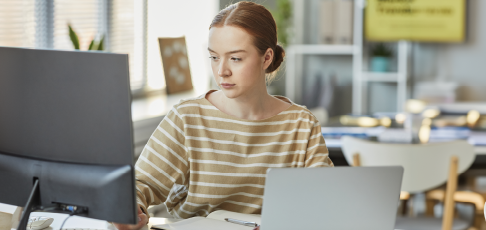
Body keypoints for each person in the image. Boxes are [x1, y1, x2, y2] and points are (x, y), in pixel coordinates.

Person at [114, 2, 333, 230]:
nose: (221, 71)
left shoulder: (301, 124)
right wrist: (130, 210)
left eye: (235, 58)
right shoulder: (187, 117)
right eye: (214, 57)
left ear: (266, 58)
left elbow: (325, 199)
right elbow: (139, 184)